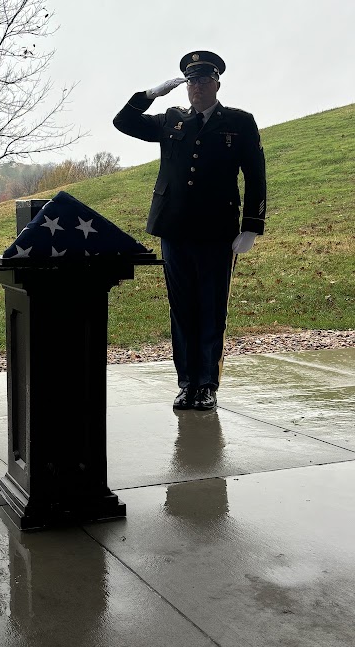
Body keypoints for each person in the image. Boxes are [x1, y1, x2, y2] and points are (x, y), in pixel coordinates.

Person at [113, 50, 266, 410]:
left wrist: (252, 226)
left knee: (212, 308)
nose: (197, 87)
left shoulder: (239, 122)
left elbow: (256, 176)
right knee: (182, 309)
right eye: (191, 81)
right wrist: (149, 95)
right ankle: (186, 384)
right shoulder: (171, 119)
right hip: (175, 229)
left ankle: (207, 384)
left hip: (217, 231)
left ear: (217, 84)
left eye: (204, 80)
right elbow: (123, 122)